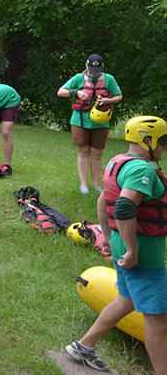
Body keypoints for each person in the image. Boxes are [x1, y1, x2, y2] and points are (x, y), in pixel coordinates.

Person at [66, 116, 167, 373]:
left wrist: (109, 237)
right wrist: (132, 250)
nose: (164, 148)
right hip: (143, 253)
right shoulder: (142, 170)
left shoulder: (116, 163)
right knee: (158, 322)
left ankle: (84, 346)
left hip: (123, 244)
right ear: (148, 140)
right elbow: (123, 206)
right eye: (163, 141)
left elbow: (103, 201)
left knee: (126, 300)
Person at [57, 54, 123, 194]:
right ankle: (83, 185)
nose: (94, 73)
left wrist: (108, 101)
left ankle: (95, 184)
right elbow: (60, 92)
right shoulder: (79, 78)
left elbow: (119, 96)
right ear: (86, 66)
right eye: (91, 69)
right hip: (79, 121)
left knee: (97, 154)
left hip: (100, 122)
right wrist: (77, 92)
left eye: (96, 70)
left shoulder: (108, 79)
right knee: (83, 152)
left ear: (102, 67)